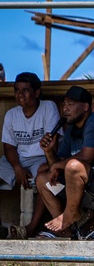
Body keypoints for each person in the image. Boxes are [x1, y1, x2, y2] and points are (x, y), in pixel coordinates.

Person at [34, 85, 94, 239]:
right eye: (64, 104)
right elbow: (57, 164)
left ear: (85, 107)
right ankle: (66, 231)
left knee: (73, 166)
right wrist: (48, 151)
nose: (65, 109)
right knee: (42, 178)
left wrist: (58, 165)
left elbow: (87, 157)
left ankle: (70, 214)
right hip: (77, 182)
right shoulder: (72, 127)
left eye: (70, 105)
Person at [1, 73, 61, 238]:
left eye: (26, 90)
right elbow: (9, 146)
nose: (20, 94)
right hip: (17, 159)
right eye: (17, 90)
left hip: (42, 158)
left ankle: (32, 227)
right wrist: (17, 168)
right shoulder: (12, 114)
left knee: (45, 177)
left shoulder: (48, 107)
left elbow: (52, 143)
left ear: (37, 92)